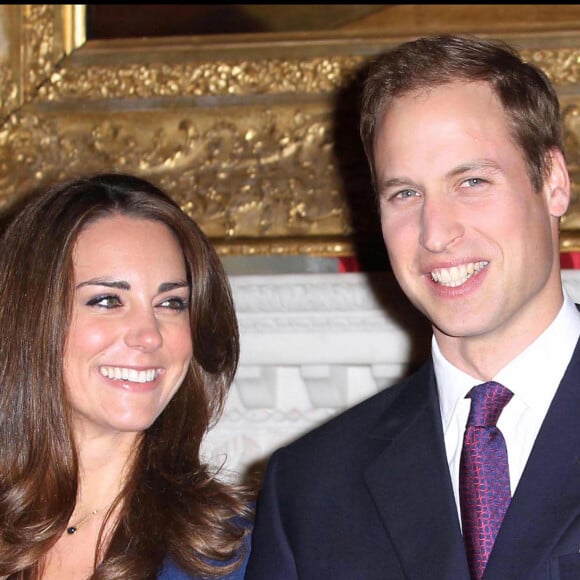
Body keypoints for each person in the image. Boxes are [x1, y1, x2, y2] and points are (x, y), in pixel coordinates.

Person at [245, 34, 580, 580]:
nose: (436, 232)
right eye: (405, 194)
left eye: (471, 181)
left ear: (554, 183)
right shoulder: (309, 487)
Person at [0, 173, 252, 579]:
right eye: (107, 300)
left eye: (171, 303)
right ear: (30, 319)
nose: (149, 335)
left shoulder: (235, 552)